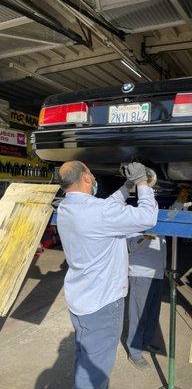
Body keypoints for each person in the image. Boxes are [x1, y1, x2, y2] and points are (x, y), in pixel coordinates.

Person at [56, 161, 158, 389]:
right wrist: (142, 182)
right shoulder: (100, 213)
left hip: (80, 302)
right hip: (103, 305)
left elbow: (104, 208)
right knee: (95, 373)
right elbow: (148, 217)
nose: (93, 178)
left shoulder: (65, 209)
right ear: (84, 178)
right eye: (91, 174)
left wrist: (126, 187)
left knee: (85, 358)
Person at [126, 233, 167, 369]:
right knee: (138, 316)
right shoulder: (135, 216)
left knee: (152, 315)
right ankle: (135, 353)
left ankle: (145, 342)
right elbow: (129, 245)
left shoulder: (159, 217)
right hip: (141, 274)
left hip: (158, 273)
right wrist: (145, 235)